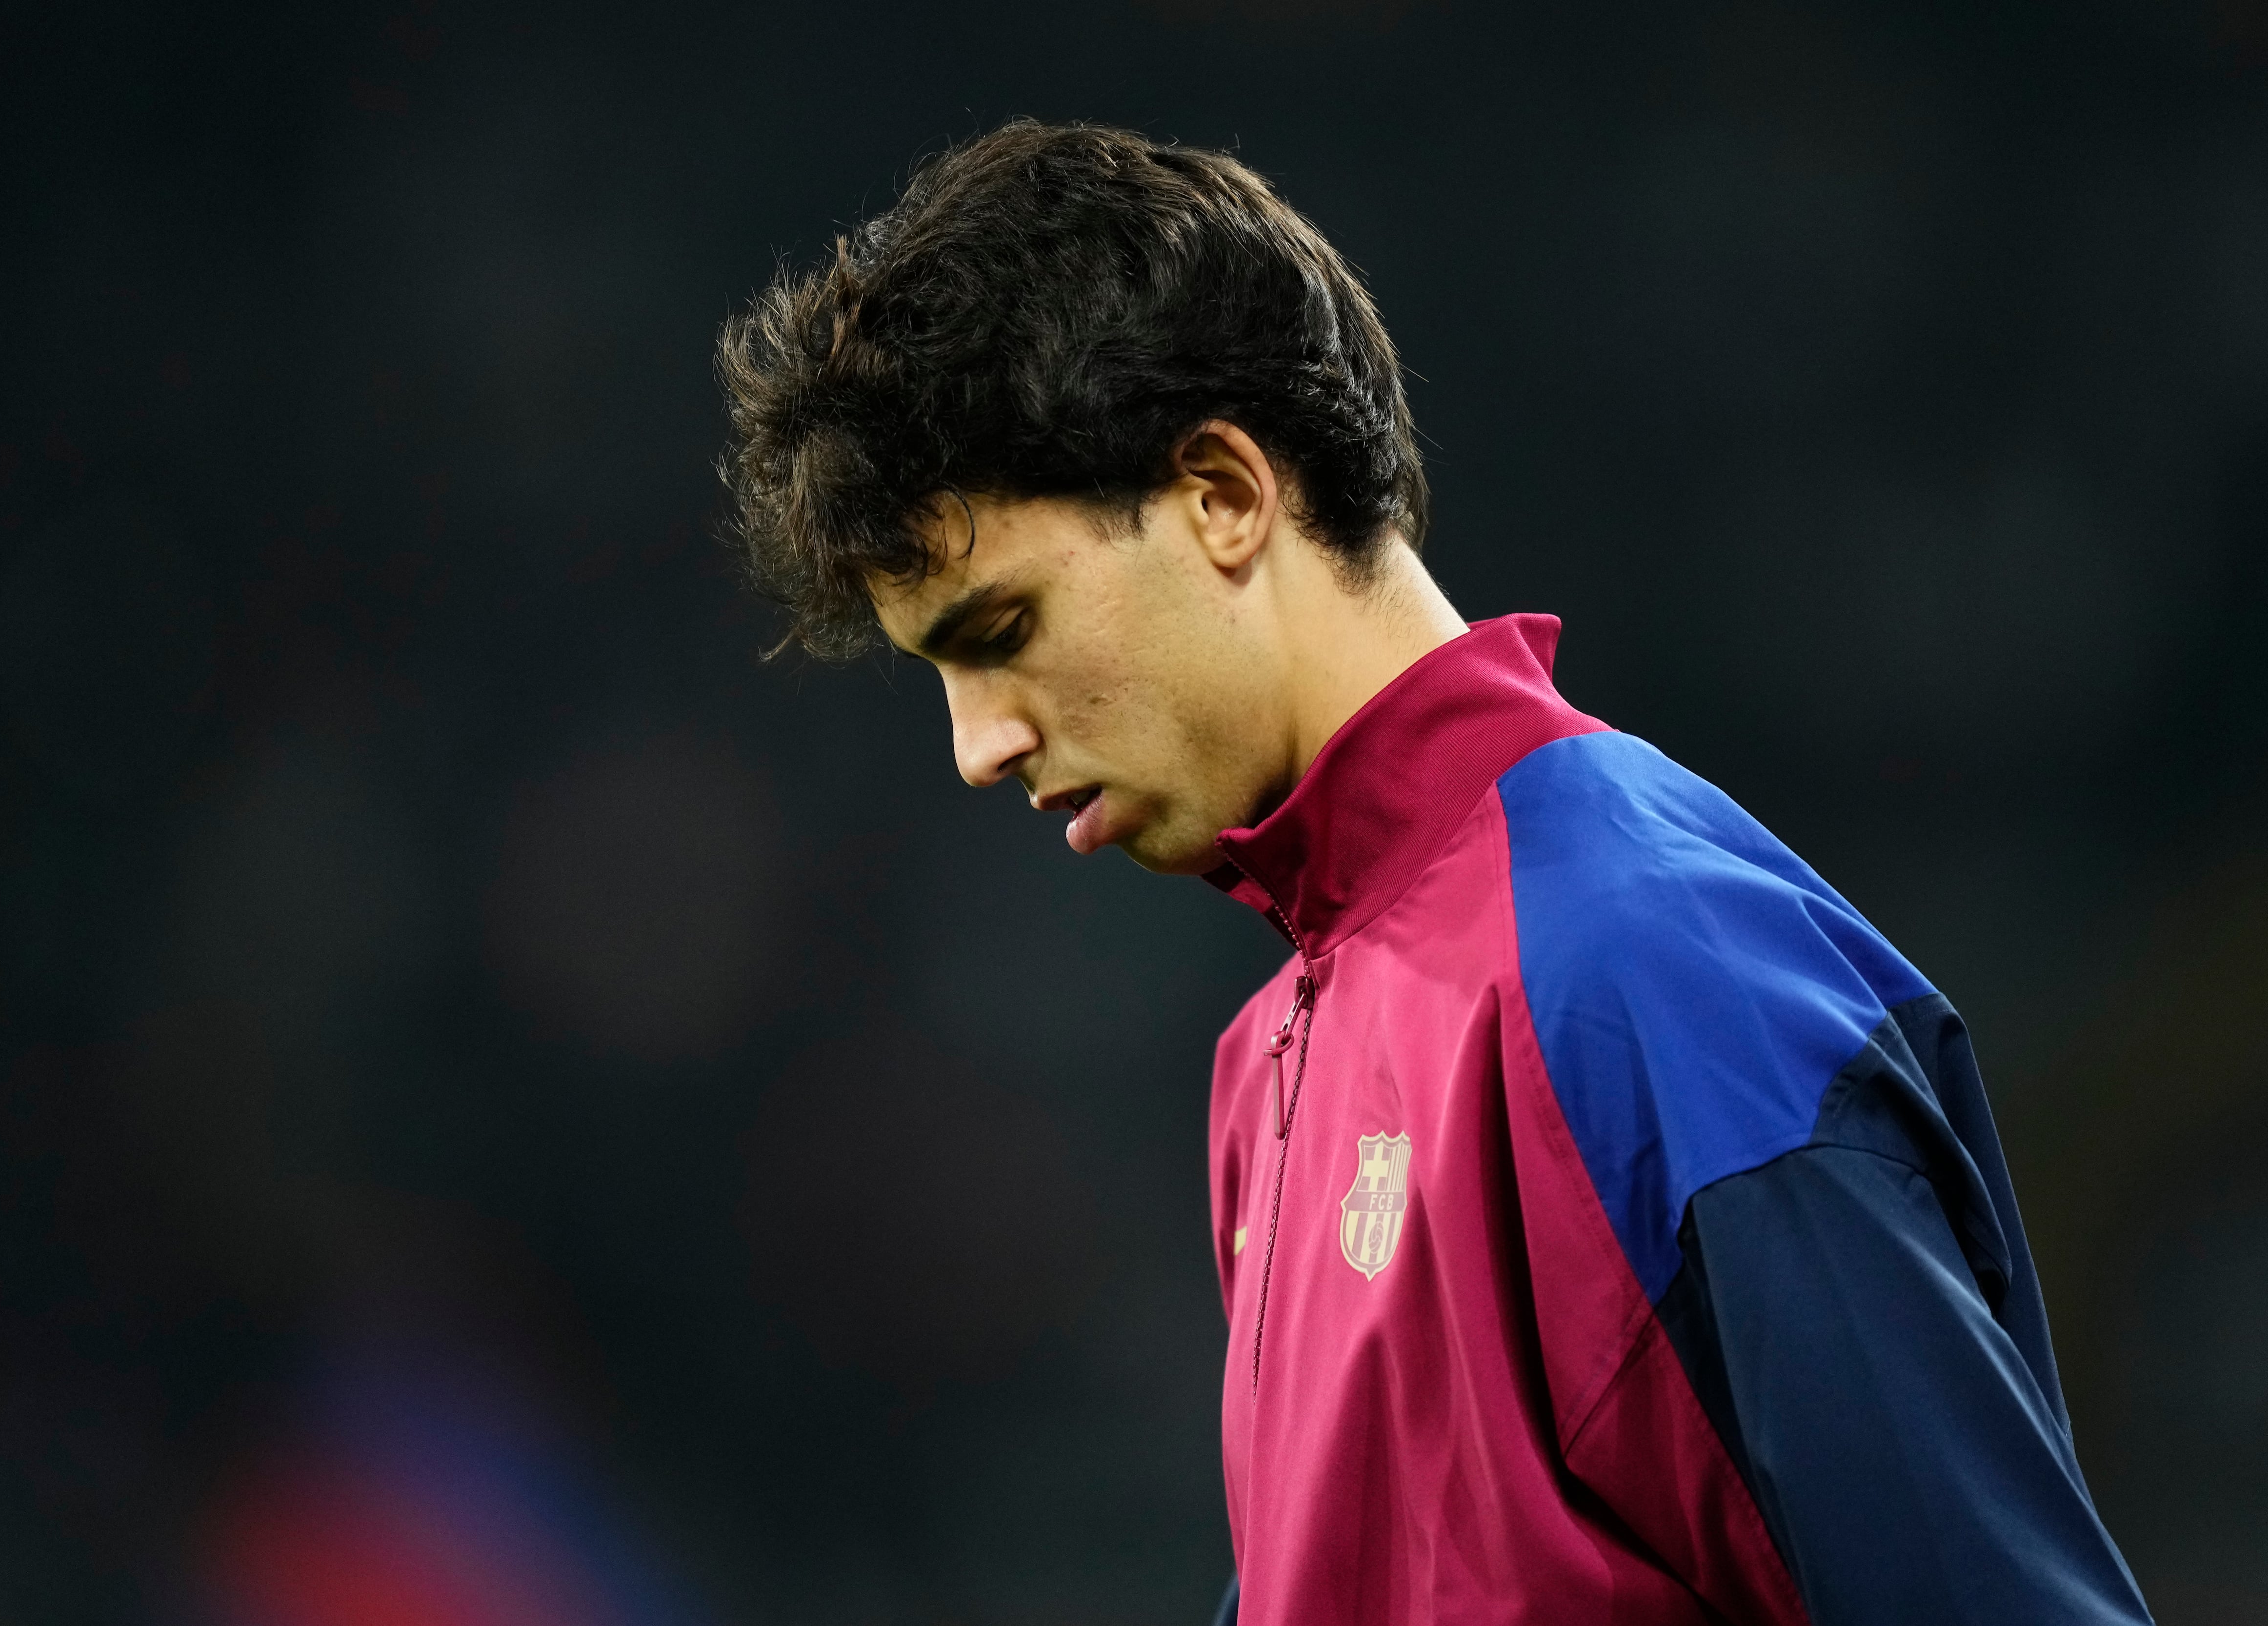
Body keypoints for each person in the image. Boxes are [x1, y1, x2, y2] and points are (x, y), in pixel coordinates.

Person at [714, 119, 2152, 1626]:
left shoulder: (1650, 971)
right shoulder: (1270, 1058)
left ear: (1221, 493)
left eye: (998, 634)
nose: (975, 747)